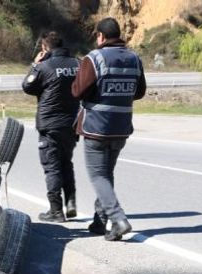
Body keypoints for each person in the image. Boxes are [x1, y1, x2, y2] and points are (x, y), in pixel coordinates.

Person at [71, 17, 146, 241]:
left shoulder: (94, 58)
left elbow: (77, 91)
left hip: (96, 126)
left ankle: (118, 219)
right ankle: (99, 221)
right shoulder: (135, 58)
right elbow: (140, 91)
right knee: (106, 173)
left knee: (98, 176)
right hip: (121, 126)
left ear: (101, 36)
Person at [22, 31, 80, 223]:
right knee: (66, 163)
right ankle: (71, 202)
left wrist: (35, 64)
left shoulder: (44, 67)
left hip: (50, 125)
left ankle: (56, 211)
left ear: (45, 49)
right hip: (71, 123)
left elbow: (27, 86)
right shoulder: (77, 64)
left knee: (52, 167)